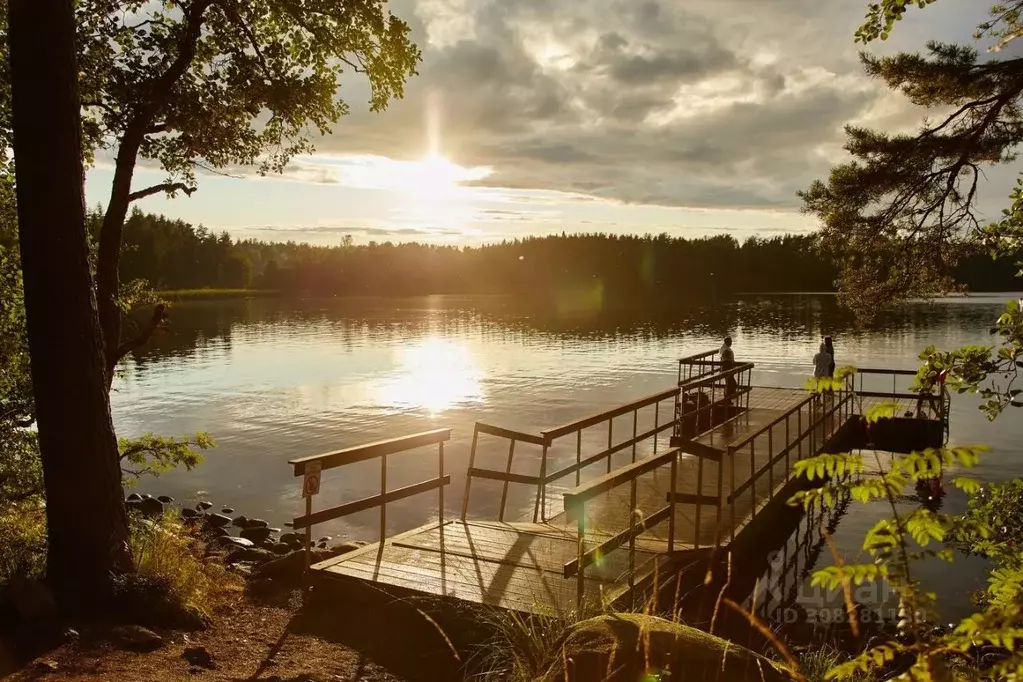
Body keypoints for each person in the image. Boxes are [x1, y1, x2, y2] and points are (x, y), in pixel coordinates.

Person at [720, 336, 736, 403]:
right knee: (730, 383)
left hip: (727, 367)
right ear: (727, 342)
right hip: (727, 367)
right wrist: (732, 361)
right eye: (730, 342)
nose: (731, 343)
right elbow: (725, 356)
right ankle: (727, 399)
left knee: (730, 383)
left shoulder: (725, 348)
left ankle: (728, 399)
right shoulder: (725, 349)